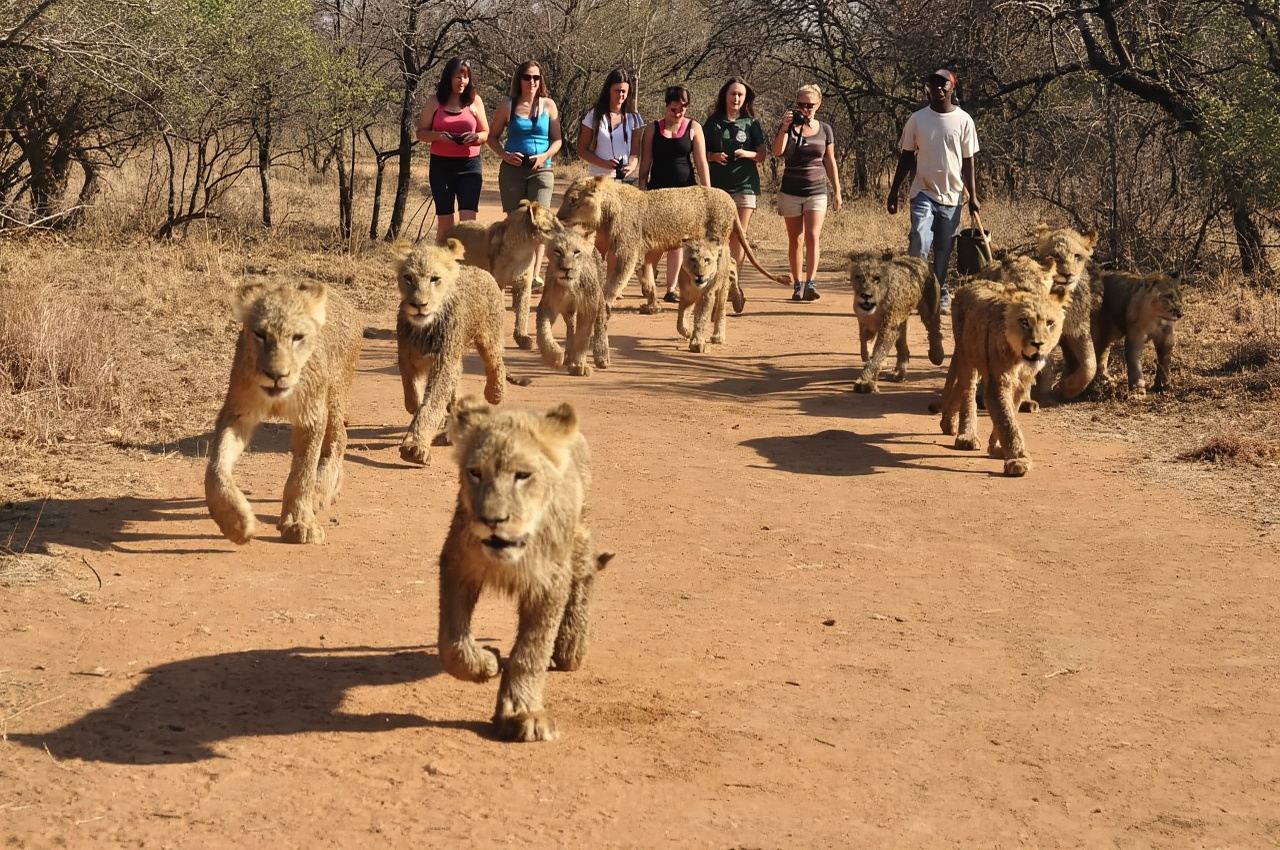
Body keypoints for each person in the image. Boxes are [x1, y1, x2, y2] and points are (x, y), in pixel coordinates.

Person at [886, 68, 980, 315]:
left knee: (943, 249)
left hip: (952, 195)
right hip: (923, 192)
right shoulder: (917, 120)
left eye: (943, 84)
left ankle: (940, 293)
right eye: (933, 84)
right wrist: (894, 191)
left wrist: (973, 196)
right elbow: (906, 157)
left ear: (952, 88)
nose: (938, 88)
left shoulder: (964, 121)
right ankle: (915, 291)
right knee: (919, 238)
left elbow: (969, 160)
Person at [488, 60, 563, 290]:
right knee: (516, 221)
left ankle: (534, 274)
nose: (532, 82)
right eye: (527, 77)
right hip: (512, 172)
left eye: (536, 78)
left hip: (542, 171)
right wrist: (505, 155)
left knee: (539, 222)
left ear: (541, 81)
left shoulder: (549, 106)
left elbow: (557, 140)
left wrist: (543, 157)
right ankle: (515, 269)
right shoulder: (507, 105)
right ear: (518, 79)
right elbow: (492, 137)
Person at [638, 85, 710, 303]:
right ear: (666, 106)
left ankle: (672, 288)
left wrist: (707, 193)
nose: (678, 113)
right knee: (657, 242)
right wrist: (642, 188)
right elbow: (646, 163)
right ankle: (647, 277)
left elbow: (701, 162)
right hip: (657, 194)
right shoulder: (652, 129)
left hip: (685, 194)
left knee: (678, 242)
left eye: (682, 109)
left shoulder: (694, 127)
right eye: (674, 109)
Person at [771, 84, 842, 302]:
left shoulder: (825, 129)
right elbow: (777, 151)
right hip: (791, 189)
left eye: (810, 105)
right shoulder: (790, 127)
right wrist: (784, 127)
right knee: (796, 239)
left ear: (818, 105)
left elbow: (829, 160)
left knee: (812, 236)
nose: (805, 109)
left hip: (817, 189)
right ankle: (797, 283)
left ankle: (811, 282)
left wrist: (837, 191)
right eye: (801, 105)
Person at [705, 76, 766, 308]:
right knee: (718, 238)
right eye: (733, 94)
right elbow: (700, 152)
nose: (736, 98)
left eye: (741, 95)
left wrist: (746, 154)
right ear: (725, 96)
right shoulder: (712, 123)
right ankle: (716, 282)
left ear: (745, 98)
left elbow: (762, 155)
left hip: (745, 186)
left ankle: (733, 283)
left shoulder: (751, 124)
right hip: (719, 188)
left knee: (738, 237)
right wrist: (712, 157)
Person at [414, 57, 488, 244]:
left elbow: (486, 132)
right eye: (458, 76)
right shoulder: (434, 102)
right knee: (445, 226)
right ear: (448, 77)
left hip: (470, 167)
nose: (462, 81)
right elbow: (420, 133)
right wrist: (439, 136)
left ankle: (467, 268)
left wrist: (476, 137)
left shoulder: (475, 101)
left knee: (468, 224)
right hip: (441, 167)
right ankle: (442, 268)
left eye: (466, 77)